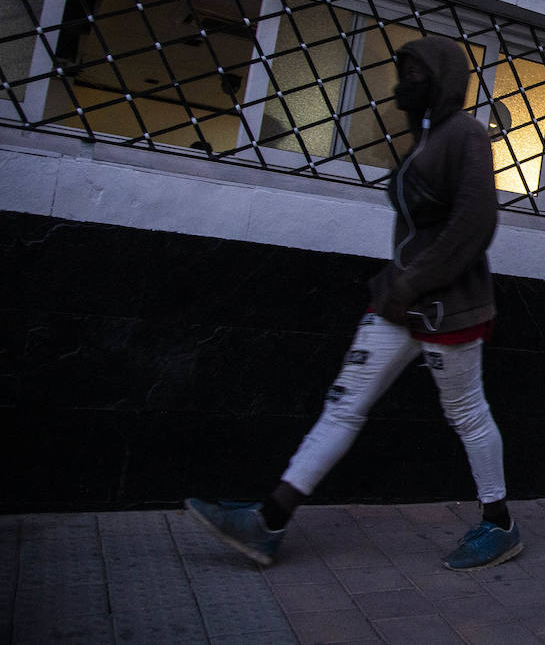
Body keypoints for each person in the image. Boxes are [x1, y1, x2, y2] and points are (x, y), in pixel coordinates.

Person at [184, 36, 521, 572]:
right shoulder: (427, 138)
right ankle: (269, 522)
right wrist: (400, 287)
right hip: (398, 304)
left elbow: (476, 223)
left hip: (444, 310)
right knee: (344, 404)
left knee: (466, 414)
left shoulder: (466, 136)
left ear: (438, 79)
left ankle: (499, 522)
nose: (399, 84)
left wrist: (411, 283)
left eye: (412, 74)